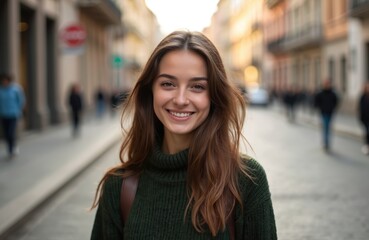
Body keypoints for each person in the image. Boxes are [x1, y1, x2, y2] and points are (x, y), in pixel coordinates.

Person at [90, 31, 277, 239]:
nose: (180, 99)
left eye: (197, 87)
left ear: (214, 96)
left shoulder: (246, 181)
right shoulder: (118, 187)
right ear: (150, 91)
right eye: (168, 84)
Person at [0, 73, 25, 159]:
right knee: (6, 134)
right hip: (3, 114)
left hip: (13, 114)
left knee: (11, 132)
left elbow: (21, 100)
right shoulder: (1, 90)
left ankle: (13, 148)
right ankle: (10, 148)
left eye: (6, 80)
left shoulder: (16, 89)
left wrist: (18, 110)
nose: (4, 82)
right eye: (3, 80)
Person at [314, 79, 339, 152]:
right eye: (326, 84)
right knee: (325, 127)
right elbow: (316, 101)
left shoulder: (332, 93)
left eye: (328, 84)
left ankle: (327, 142)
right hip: (323, 112)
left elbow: (336, 101)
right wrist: (320, 108)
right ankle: (325, 142)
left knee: (328, 127)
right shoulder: (320, 93)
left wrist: (333, 107)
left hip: (330, 112)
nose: (327, 85)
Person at [358, 81, 369, 155]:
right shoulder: (362, 97)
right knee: (367, 132)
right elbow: (360, 108)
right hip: (365, 118)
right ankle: (366, 145)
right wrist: (361, 118)